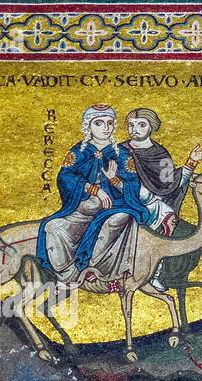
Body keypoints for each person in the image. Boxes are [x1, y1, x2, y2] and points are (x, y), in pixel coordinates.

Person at [37, 104, 169, 289]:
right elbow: (65, 176)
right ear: (88, 127)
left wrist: (113, 180)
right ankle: (70, 275)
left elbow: (133, 183)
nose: (105, 128)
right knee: (53, 227)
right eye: (98, 123)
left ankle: (95, 269)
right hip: (85, 206)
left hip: (116, 205)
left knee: (116, 221)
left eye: (109, 123)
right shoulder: (80, 151)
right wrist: (93, 189)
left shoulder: (121, 153)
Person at [121, 107, 202, 291]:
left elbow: (171, 185)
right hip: (124, 198)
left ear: (151, 128)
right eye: (131, 125)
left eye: (141, 125)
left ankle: (153, 272)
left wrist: (191, 162)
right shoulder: (119, 151)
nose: (135, 129)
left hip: (151, 203)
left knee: (168, 218)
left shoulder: (159, 155)